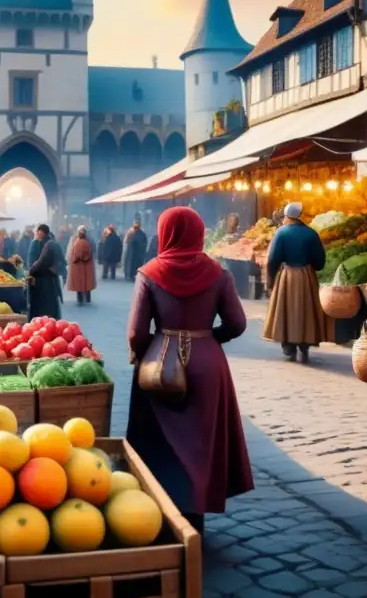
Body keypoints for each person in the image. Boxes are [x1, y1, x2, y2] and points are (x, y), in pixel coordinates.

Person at [126, 207, 254, 533]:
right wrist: (209, 341)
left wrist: (142, 353)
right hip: (207, 363)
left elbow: (136, 333)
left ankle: (163, 511)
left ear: (165, 232)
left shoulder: (149, 273)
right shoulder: (219, 272)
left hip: (161, 362)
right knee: (200, 442)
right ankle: (196, 515)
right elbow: (237, 323)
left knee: (161, 441)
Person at [263, 202, 328, 364]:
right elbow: (320, 261)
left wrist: (270, 280)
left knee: (287, 310)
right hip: (307, 276)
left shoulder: (281, 232)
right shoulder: (311, 233)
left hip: (287, 276)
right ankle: (304, 345)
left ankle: (289, 346)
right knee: (306, 310)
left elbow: (273, 259)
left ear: (286, 215)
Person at [27, 224, 63, 319]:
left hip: (44, 279)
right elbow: (31, 260)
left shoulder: (50, 244)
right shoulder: (37, 243)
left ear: (43, 233)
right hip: (42, 279)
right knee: (45, 305)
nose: (38, 235)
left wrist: (32, 271)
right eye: (37, 233)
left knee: (45, 305)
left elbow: (57, 261)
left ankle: (47, 322)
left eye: (39, 233)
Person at [66, 226, 96, 305]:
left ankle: (80, 299)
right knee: (87, 283)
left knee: (79, 283)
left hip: (78, 265)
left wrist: (72, 259)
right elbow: (93, 250)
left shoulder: (77, 241)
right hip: (88, 265)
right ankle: (87, 298)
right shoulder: (90, 240)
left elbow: (75, 254)